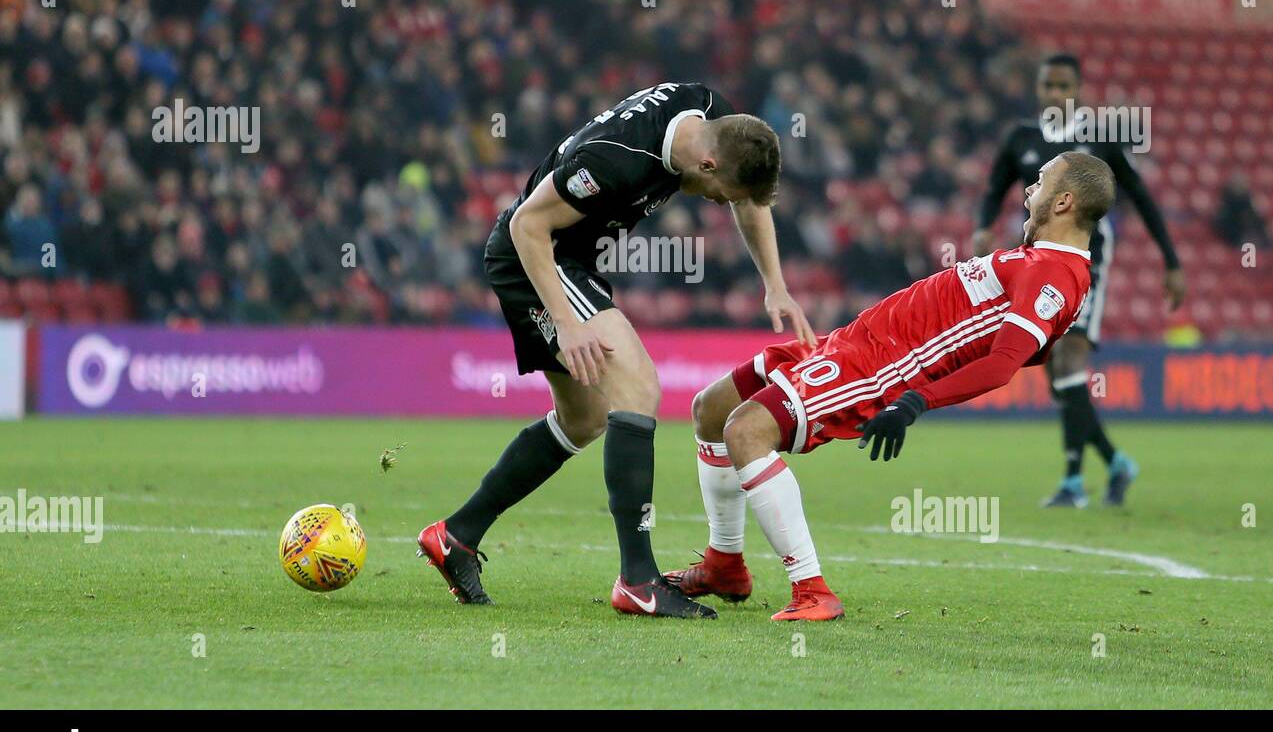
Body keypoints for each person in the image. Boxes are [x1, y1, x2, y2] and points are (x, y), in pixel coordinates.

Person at [418, 81, 815, 619]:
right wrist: (564, 322)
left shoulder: (711, 115)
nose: (722, 205)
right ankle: (638, 580)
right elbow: (526, 224)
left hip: (573, 260)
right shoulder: (613, 161)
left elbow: (747, 196)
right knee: (638, 388)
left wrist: (775, 284)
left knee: (583, 417)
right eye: (722, 193)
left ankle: (456, 536)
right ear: (706, 164)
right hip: (534, 257)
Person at [668, 152, 1115, 620]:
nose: (1029, 190)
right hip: (851, 341)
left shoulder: (1057, 275)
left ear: (1064, 201)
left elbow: (1003, 364)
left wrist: (914, 401)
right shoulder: (1040, 259)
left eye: (1040, 182)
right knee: (712, 408)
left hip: (879, 367)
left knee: (745, 431)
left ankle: (812, 590)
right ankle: (724, 565)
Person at [972, 53, 1184, 508]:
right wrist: (982, 227)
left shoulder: (1101, 139)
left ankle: (1072, 482)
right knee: (1056, 373)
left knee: (1067, 362)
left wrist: (1171, 261)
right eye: (1047, 85)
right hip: (1035, 264)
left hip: (1089, 263)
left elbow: (1141, 196)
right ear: (1038, 88)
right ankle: (1114, 462)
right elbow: (994, 189)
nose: (1054, 94)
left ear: (1078, 90)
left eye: (1063, 86)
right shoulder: (1021, 139)